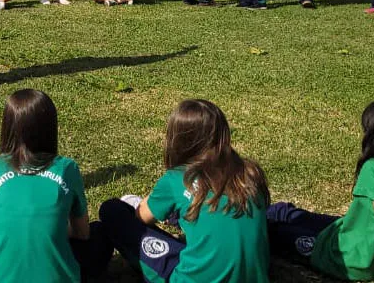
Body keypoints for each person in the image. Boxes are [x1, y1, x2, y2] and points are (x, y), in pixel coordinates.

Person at [0, 89, 112, 282]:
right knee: (98, 234)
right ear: (50, 128)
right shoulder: (67, 169)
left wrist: (1, 226)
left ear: (7, 127)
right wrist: (51, 228)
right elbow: (82, 233)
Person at [99, 99, 270, 283]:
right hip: (254, 276)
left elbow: (141, 217)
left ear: (178, 140)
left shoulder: (177, 178)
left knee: (113, 211)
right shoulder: (250, 173)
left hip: (191, 278)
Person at [267, 97, 374, 282]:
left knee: (271, 230)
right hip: (354, 231)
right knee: (285, 212)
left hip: (348, 258)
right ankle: (276, 211)